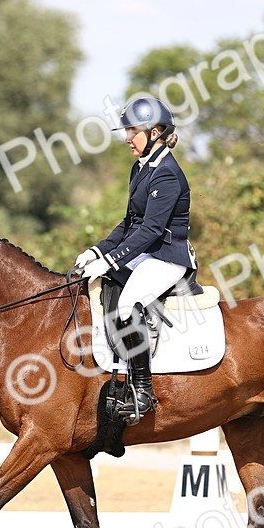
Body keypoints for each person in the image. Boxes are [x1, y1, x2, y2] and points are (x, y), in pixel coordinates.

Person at [75, 96, 196, 420]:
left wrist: (112, 261)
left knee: (129, 304)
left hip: (168, 257)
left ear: (155, 132)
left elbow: (152, 230)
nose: (127, 138)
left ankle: (143, 393)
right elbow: (130, 223)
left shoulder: (167, 174)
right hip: (146, 255)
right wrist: (98, 251)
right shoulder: (141, 168)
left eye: (133, 131)